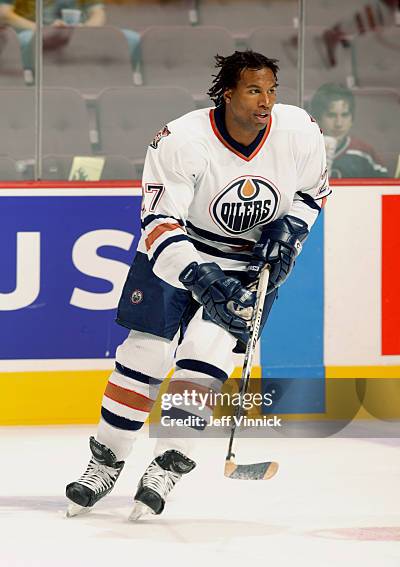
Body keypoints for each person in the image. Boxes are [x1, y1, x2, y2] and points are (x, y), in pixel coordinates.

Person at [65, 50, 331, 521]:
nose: (265, 101)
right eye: (253, 90)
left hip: (248, 265)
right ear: (227, 93)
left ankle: (166, 466)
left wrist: (289, 234)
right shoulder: (182, 139)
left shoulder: (300, 131)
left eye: (271, 90)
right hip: (177, 253)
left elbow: (312, 193)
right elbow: (158, 220)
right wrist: (197, 275)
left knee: (204, 363)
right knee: (142, 356)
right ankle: (104, 463)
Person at [0, 0, 140, 72]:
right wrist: (44, 29)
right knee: (26, 39)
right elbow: (4, 14)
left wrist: (84, 31)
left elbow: (98, 13)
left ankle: (128, 88)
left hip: (79, 32)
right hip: (34, 30)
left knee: (132, 39)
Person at [310, 83, 389, 178]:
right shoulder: (304, 150)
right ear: (317, 118)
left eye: (345, 115)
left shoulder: (364, 153)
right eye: (331, 115)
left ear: (352, 119)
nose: (339, 123)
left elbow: (385, 187)